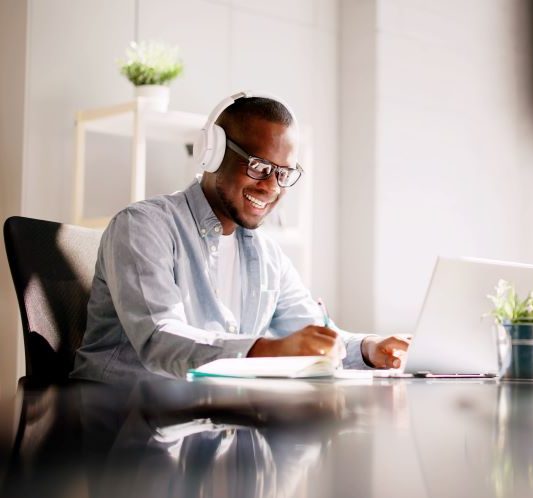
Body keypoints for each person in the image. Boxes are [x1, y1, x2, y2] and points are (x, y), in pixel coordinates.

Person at [71, 92, 409, 383]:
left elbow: (315, 333)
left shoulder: (268, 257)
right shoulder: (142, 227)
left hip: (205, 420)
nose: (272, 187)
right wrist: (267, 350)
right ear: (213, 153)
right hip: (121, 420)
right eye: (259, 167)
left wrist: (370, 349)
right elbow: (160, 339)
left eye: (284, 173)